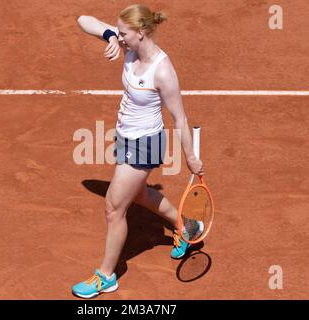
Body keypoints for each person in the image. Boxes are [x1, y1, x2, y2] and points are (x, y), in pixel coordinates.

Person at [73, 4, 204, 299]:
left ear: (142, 33)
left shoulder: (163, 71)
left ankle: (106, 277)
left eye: (123, 33)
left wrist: (191, 158)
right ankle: (185, 227)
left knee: (114, 207)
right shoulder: (127, 47)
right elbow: (83, 20)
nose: (119, 38)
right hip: (126, 136)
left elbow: (179, 118)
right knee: (141, 194)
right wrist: (108, 36)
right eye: (117, 33)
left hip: (145, 143)